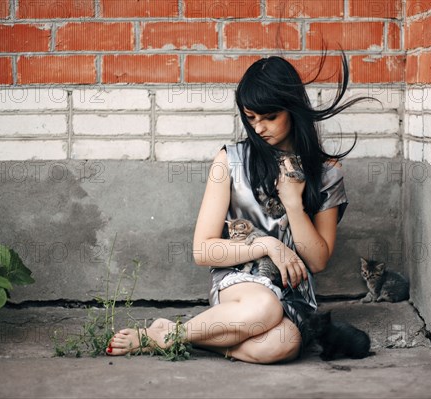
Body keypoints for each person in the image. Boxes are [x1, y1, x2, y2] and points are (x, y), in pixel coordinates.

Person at [108, 54, 367, 363]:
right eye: (251, 118)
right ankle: (173, 336)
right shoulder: (229, 161)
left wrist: (293, 204)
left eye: (269, 116)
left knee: (282, 345)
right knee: (264, 308)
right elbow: (203, 250)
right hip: (240, 281)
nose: (259, 128)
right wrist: (268, 245)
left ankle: (173, 334)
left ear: (293, 108)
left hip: (293, 291)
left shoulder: (327, 173)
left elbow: (318, 260)